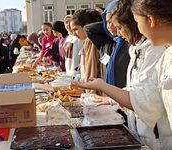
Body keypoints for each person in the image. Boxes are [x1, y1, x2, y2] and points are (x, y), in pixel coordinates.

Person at [71, 0, 172, 148]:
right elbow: (140, 91)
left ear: (151, 20)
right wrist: (109, 96)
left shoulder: (158, 50)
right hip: (142, 132)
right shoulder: (161, 52)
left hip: (157, 138)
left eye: (137, 21)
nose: (116, 32)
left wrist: (103, 86)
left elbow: (146, 101)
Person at [70, 9, 102, 93]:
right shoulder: (89, 41)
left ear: (86, 26)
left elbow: (91, 71)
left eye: (75, 29)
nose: (74, 34)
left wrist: (88, 93)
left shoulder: (91, 41)